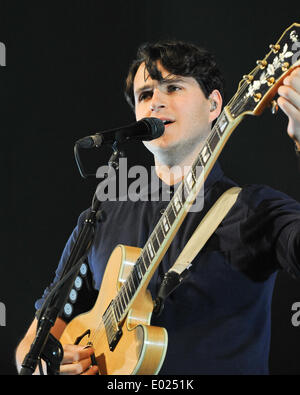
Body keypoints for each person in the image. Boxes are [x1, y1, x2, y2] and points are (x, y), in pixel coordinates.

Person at [15, 40, 300, 375]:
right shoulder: (102, 215)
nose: (156, 102)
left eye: (174, 87)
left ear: (214, 105)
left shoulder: (255, 209)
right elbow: (32, 346)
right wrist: (45, 368)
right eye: (145, 94)